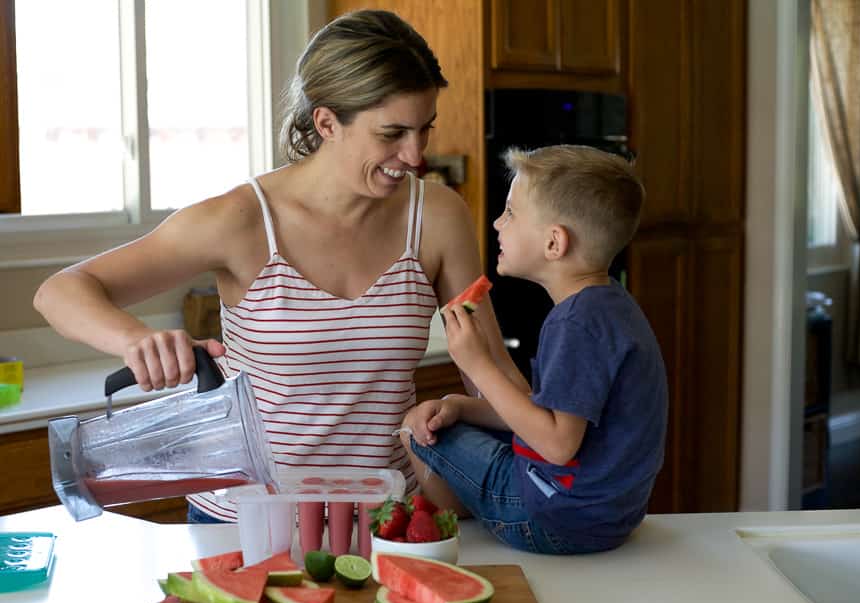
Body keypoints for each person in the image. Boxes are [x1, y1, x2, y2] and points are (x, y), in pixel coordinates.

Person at [33, 9, 525, 523]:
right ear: (327, 122)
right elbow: (61, 290)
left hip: (387, 518)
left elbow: (488, 373)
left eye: (425, 129)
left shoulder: (438, 217)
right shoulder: (240, 221)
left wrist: (570, 437)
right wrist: (135, 340)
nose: (415, 154)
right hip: (246, 522)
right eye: (392, 133)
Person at [399, 145, 668, 554]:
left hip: (551, 520)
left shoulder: (575, 323)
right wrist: (461, 404)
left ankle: (465, 527)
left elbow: (557, 445)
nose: (496, 223)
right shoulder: (609, 305)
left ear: (554, 242)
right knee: (447, 415)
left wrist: (477, 363)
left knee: (416, 429)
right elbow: (546, 414)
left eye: (510, 213)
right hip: (608, 517)